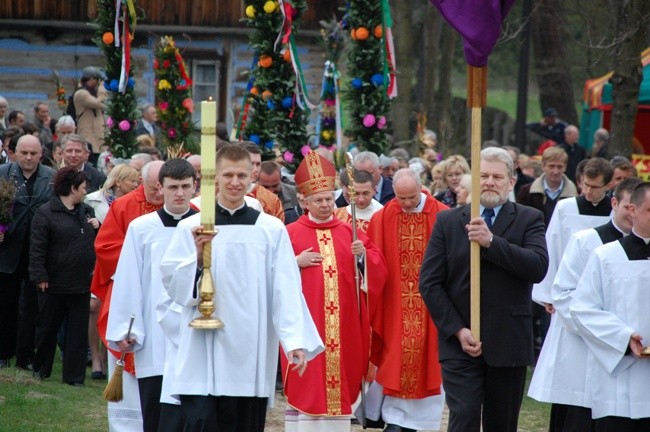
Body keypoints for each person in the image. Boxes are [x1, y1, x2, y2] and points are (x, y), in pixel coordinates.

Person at [159, 145, 323, 432]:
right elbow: (172, 287)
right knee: (201, 421)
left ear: (252, 177)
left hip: (249, 348)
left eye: (241, 175)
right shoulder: (192, 226)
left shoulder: (270, 230)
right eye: (228, 175)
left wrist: (294, 339)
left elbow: (285, 287)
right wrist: (196, 258)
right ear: (214, 178)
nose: (235, 182)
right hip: (202, 347)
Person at [420, 147, 549, 432]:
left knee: (500, 423)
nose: (490, 182)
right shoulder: (449, 222)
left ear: (511, 182)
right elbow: (429, 282)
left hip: (508, 340)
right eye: (484, 176)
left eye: (497, 177)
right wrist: (456, 329)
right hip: (461, 341)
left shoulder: (529, 218)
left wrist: (492, 242)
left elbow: (537, 267)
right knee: (464, 414)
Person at [283, 150, 387, 431]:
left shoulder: (348, 230)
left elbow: (378, 266)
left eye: (329, 199)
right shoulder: (290, 233)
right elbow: (273, 275)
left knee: (339, 386)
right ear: (304, 201)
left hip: (344, 327)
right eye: (318, 200)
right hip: (307, 325)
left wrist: (362, 255)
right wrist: (296, 262)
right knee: (309, 384)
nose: (326, 205)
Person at [528, 177, 642, 432]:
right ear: (615, 203)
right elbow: (565, 295)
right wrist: (606, 331)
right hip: (584, 349)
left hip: (630, 352)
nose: (633, 216)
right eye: (628, 208)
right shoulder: (586, 241)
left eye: (640, 209)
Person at [107, 159, 198, 432]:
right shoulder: (142, 228)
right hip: (155, 336)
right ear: (161, 188)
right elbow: (129, 280)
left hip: (195, 333)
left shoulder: (205, 226)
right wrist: (127, 327)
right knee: (156, 414)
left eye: (185, 186)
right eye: (173, 187)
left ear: (195, 187)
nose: (179, 193)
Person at [365, 168, 448, 432]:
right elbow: (374, 258)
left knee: (430, 359)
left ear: (422, 188)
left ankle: (423, 423)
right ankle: (394, 419)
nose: (407, 204)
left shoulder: (443, 215)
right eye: (402, 198)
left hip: (432, 304)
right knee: (396, 357)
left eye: (412, 197)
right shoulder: (384, 216)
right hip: (396, 305)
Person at [91, 160, 165, 431]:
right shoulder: (124, 206)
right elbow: (106, 247)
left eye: (162, 186)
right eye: (153, 187)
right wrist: (143, 260)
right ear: (141, 183)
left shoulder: (183, 210)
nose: (159, 193)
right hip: (131, 297)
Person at [570, 181, 650, 430]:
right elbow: (583, 309)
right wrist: (624, 338)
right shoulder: (606, 257)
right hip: (620, 377)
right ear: (632, 210)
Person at [29, 166, 100, 385]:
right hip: (53, 283)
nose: (85, 192)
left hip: (80, 282)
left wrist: (98, 227)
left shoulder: (87, 212)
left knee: (77, 332)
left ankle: (74, 376)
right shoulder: (46, 213)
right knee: (48, 328)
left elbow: (95, 243)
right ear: (72, 189)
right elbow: (37, 248)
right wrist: (40, 276)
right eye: (83, 188)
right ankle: (41, 368)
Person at [532, 157, 613, 317]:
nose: (588, 191)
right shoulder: (566, 207)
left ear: (608, 186)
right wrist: (548, 294)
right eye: (585, 184)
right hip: (568, 289)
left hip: (604, 288)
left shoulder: (614, 212)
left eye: (595, 187)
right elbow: (552, 246)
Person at [0, 135, 55, 370]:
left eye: (33, 153)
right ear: (14, 153)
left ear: (41, 154)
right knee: (5, 304)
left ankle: (26, 356)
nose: (29, 157)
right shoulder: (3, 173)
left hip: (37, 252)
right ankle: (3, 352)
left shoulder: (51, 177)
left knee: (33, 306)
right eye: (24, 153)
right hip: (8, 250)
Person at [84, 163, 139, 379]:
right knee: (94, 307)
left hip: (120, 260)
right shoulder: (93, 200)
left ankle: (110, 356)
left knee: (114, 307)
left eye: (137, 181)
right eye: (132, 180)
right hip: (96, 258)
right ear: (118, 181)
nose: (136, 185)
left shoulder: (136, 203)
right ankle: (95, 357)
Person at [517, 146, 578, 228]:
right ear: (543, 166)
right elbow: (520, 222)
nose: (555, 171)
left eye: (559, 167)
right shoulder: (526, 192)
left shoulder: (575, 195)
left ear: (565, 167)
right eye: (551, 166)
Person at [240, 141, 285, 221]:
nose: (255, 169)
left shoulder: (272, 200)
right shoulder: (222, 195)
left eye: (258, 164)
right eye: (251, 163)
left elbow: (278, 230)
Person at [73, 66, 106, 165]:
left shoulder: (92, 93)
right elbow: (99, 103)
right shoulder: (81, 93)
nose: (98, 83)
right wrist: (102, 91)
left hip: (97, 137)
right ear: (91, 79)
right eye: (97, 80)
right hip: (88, 136)